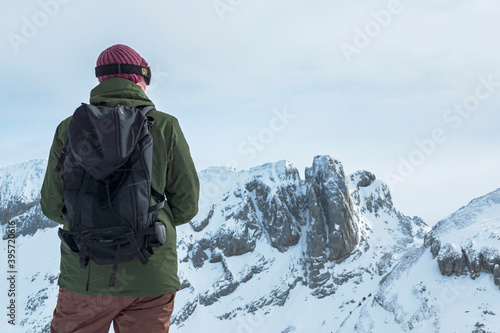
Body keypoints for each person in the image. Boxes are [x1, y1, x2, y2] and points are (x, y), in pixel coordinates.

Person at [40, 44, 199, 333]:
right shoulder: (165, 126)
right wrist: (144, 218)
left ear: (101, 81)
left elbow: (52, 206)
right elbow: (187, 205)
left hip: (85, 275)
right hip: (150, 271)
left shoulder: (69, 128)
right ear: (139, 79)